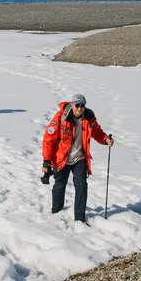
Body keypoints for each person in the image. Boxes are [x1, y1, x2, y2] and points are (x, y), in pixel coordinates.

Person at [41, 94, 113, 224]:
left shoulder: (89, 117)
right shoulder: (61, 117)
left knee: (81, 185)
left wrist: (105, 139)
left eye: (82, 105)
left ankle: (79, 219)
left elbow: (97, 132)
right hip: (62, 157)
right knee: (59, 185)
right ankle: (56, 213)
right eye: (77, 105)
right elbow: (48, 139)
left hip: (79, 157)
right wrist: (46, 161)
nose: (80, 108)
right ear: (72, 105)